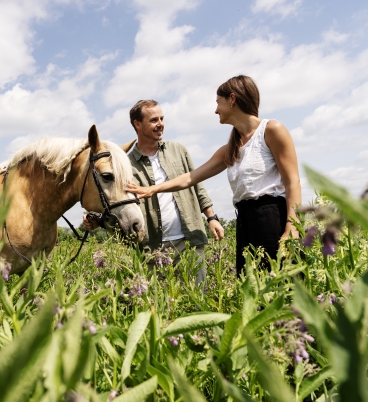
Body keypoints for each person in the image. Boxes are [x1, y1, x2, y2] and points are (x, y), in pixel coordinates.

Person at [127, 76, 301, 273]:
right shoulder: (231, 148)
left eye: (218, 102)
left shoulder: (271, 130)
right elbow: (191, 178)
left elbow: (292, 181)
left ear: (232, 99)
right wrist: (153, 189)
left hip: (273, 219)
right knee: (253, 292)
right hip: (245, 221)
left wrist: (292, 227)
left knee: (283, 287)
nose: (216, 109)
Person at [84, 99, 224, 283]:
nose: (160, 124)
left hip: (189, 240)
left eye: (162, 119)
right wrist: (97, 220)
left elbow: (197, 186)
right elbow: (117, 202)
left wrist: (211, 218)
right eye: (154, 120)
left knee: (199, 301)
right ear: (137, 124)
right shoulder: (126, 164)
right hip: (153, 248)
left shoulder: (178, 151)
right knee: (160, 306)